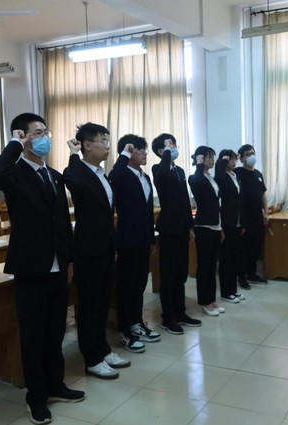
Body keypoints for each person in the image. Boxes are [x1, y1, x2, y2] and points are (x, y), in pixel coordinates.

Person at [0, 113, 84, 425]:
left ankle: (56, 384)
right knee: (33, 335)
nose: (44, 137)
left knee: (55, 331)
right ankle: (36, 397)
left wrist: (70, 259)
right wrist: (14, 144)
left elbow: (63, 223)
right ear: (23, 137)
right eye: (37, 133)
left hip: (58, 266)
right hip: (31, 267)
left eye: (46, 131)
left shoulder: (54, 176)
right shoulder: (14, 175)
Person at [64, 123, 137, 384]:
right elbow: (72, 181)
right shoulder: (77, 171)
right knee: (89, 306)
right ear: (86, 145)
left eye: (108, 140)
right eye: (102, 141)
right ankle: (92, 358)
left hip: (106, 249)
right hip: (88, 251)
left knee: (103, 303)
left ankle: (103, 350)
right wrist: (73, 156)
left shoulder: (101, 174)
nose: (107, 146)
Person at [108, 134, 161, 346]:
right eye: (140, 149)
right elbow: (115, 174)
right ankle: (125, 329)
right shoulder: (121, 174)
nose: (145, 153)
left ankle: (136, 322)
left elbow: (148, 212)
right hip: (127, 240)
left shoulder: (144, 177)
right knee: (126, 285)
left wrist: (151, 240)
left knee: (139, 284)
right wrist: (123, 155)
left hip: (143, 239)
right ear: (129, 152)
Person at [151, 133, 202, 334]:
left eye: (174, 144)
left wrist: (190, 227)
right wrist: (166, 153)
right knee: (169, 274)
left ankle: (180, 312)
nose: (174, 148)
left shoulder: (179, 171)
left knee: (181, 273)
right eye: (169, 146)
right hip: (168, 228)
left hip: (182, 228)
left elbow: (185, 201)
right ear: (161, 151)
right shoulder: (158, 169)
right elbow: (163, 176)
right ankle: (168, 317)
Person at [188, 146, 223, 316]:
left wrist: (221, 227)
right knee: (204, 265)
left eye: (213, 157)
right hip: (204, 227)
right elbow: (196, 184)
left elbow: (216, 203)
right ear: (201, 158)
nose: (213, 160)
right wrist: (198, 165)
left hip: (216, 225)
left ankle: (212, 299)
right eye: (209, 157)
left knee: (212, 265)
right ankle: (204, 301)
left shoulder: (211, 178)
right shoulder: (196, 178)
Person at [235, 144, 269, 289]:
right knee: (243, 248)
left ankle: (252, 274)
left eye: (253, 153)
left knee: (256, 247)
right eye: (248, 154)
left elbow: (263, 195)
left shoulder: (258, 174)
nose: (252, 156)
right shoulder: (237, 173)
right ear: (241, 158)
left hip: (257, 217)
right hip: (244, 218)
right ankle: (241, 277)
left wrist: (266, 212)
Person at [215, 149, 246, 304]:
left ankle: (233, 290)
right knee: (226, 259)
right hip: (227, 222)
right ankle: (225, 292)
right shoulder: (221, 177)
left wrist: (243, 223)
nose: (234, 162)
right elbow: (219, 178)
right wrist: (223, 162)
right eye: (231, 159)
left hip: (237, 222)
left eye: (235, 159)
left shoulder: (235, 176)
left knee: (235, 257)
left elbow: (240, 200)